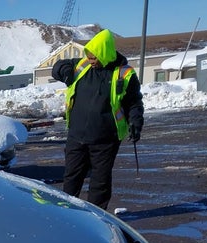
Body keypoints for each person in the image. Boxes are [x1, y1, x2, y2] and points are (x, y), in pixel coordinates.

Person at [52, 29, 143, 210]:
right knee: (72, 177)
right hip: (76, 136)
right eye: (89, 56)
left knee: (100, 181)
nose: (91, 61)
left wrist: (136, 122)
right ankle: (66, 213)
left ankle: (97, 216)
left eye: (94, 58)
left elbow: (134, 102)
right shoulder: (82, 65)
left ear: (104, 53)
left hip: (105, 139)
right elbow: (57, 67)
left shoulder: (124, 74)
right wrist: (66, 71)